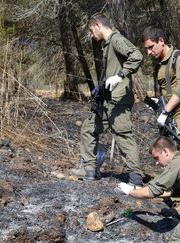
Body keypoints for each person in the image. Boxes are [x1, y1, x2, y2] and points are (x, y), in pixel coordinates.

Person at [76, 14, 144, 187]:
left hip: (119, 100)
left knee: (123, 135)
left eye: (91, 31)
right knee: (88, 128)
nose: (91, 35)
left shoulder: (116, 40)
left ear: (98, 25)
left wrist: (120, 76)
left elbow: (136, 56)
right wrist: (101, 86)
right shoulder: (107, 45)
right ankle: (89, 169)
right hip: (107, 100)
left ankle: (135, 178)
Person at [142, 26, 180, 160]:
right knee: (171, 163)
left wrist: (165, 111)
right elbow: (168, 91)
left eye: (151, 47)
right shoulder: (161, 65)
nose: (148, 52)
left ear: (161, 40)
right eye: (146, 49)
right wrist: (159, 104)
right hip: (170, 121)